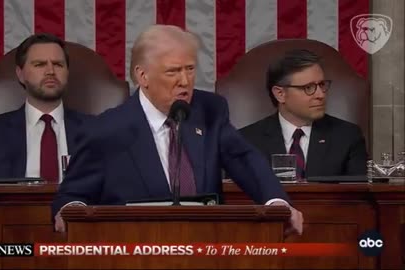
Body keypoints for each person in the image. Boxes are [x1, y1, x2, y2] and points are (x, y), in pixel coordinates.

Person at [52, 25, 303, 235]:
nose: (185, 81)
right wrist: (71, 213)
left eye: (190, 69)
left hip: (207, 249)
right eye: (173, 71)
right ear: (143, 76)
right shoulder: (106, 131)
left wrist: (276, 203)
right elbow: (70, 197)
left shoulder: (210, 110)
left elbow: (244, 159)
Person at [0, 33, 93, 183]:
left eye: (58, 64)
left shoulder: (94, 131)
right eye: (39, 64)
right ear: (20, 75)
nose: (50, 71)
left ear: (67, 73)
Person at [239, 49, 367, 178]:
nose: (320, 94)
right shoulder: (246, 141)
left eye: (322, 85)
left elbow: (358, 195)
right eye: (309, 87)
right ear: (280, 94)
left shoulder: (347, 137)